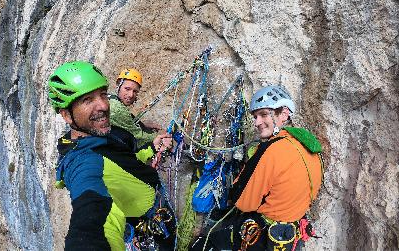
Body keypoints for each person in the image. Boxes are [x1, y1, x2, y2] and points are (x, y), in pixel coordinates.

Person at [49, 61, 175, 251]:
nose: (103, 105)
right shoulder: (83, 164)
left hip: (156, 207)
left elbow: (125, 161)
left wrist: (151, 148)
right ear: (67, 115)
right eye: (87, 100)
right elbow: (91, 219)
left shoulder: (101, 133)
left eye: (103, 94)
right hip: (147, 220)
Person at [191, 85, 323, 251]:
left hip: (262, 235)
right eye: (255, 116)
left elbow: (244, 203)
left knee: (201, 245)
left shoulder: (271, 150)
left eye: (264, 114)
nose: (257, 122)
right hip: (292, 234)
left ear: (283, 114)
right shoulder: (309, 147)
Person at [109, 68, 170, 163]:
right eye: (127, 89)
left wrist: (143, 124)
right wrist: (161, 136)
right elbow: (139, 136)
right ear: (118, 85)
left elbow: (125, 122)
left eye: (135, 91)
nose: (130, 95)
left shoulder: (112, 99)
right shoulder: (117, 108)